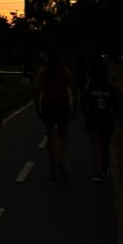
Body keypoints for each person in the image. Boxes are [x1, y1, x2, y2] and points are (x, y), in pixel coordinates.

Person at [36, 51, 77, 179]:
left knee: (50, 137)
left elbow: (36, 92)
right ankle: (60, 157)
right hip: (62, 105)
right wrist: (74, 110)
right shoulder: (65, 72)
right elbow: (75, 92)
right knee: (62, 136)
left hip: (47, 105)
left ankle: (52, 167)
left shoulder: (43, 72)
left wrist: (38, 109)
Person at [81, 57, 121, 182]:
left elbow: (83, 103)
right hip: (106, 119)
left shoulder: (89, 87)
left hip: (93, 118)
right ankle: (104, 166)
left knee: (95, 146)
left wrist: (85, 112)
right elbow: (116, 105)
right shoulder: (109, 87)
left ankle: (97, 172)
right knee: (105, 145)